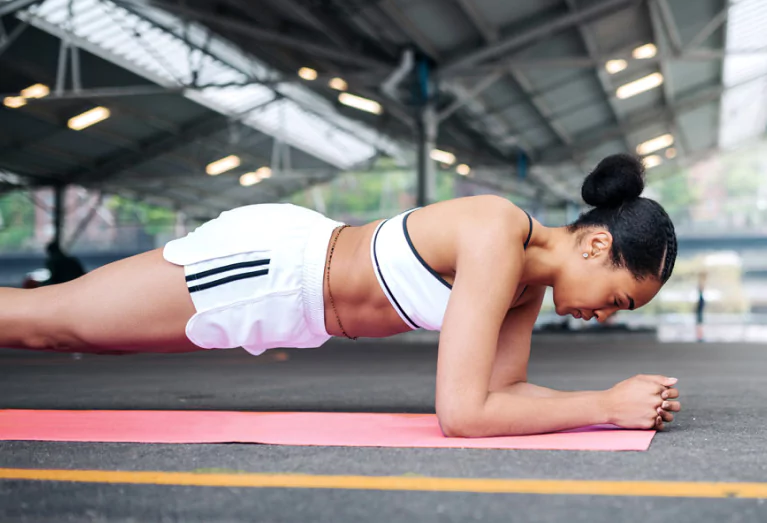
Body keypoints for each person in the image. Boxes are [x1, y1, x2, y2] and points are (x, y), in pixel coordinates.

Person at [0, 154, 681, 437]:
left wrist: (611, 407)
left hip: (289, 289)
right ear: (595, 245)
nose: (601, 316)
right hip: (269, 268)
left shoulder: (523, 285)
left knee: (59, 325)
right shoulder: (496, 231)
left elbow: (503, 393)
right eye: (619, 299)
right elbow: (463, 412)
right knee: (49, 324)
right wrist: (602, 405)